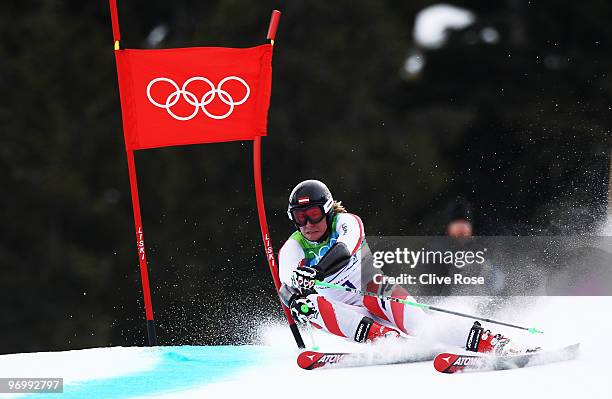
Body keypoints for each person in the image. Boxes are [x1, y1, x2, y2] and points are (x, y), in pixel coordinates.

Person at [278, 179, 524, 355]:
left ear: (328, 210)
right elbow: (286, 288)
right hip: (343, 311)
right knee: (308, 306)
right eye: (300, 217)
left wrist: (314, 272)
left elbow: (343, 250)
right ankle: (388, 341)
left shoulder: (346, 222)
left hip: (374, 290)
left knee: (422, 326)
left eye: (313, 213)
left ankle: (491, 342)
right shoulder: (292, 248)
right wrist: (294, 296)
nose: (308, 223)